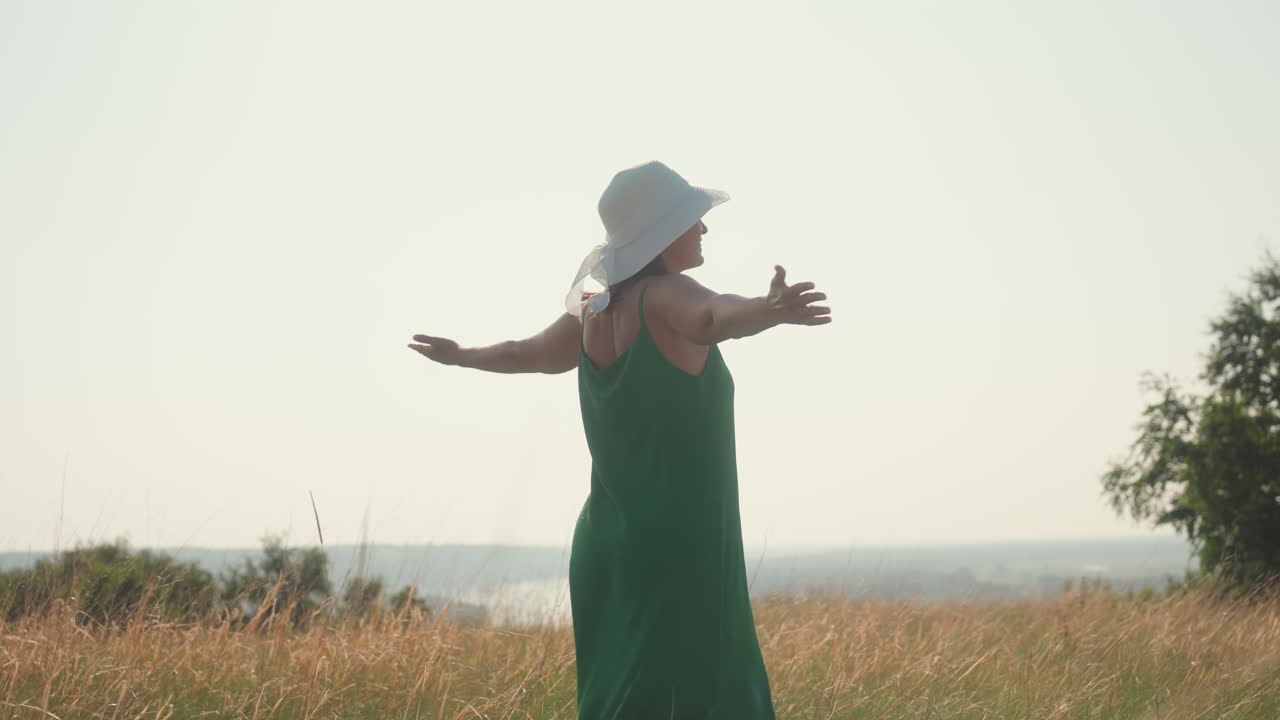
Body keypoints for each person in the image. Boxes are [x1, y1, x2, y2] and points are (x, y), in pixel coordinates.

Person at [408, 161, 831, 719]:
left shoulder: (594, 306)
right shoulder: (667, 295)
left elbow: (525, 353)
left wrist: (461, 355)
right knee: (705, 697)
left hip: (606, 544)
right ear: (663, 231)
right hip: (679, 543)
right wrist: (766, 309)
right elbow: (713, 315)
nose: (703, 228)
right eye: (693, 219)